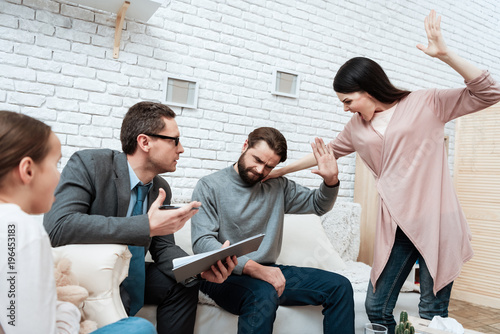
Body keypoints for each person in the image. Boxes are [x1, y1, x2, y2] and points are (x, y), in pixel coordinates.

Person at [263, 10, 500, 334]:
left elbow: (488, 92)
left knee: (431, 311)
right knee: (377, 306)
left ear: (368, 89)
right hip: (397, 224)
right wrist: (281, 170)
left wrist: (446, 54)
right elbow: (326, 151)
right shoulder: (356, 128)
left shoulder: (426, 103)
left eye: (348, 100)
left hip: (436, 220)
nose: (345, 108)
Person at [43, 102, 237, 334]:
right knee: (122, 298)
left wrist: (197, 268)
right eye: (174, 140)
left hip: (131, 273)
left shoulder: (160, 188)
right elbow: (58, 226)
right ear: (144, 142)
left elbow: (164, 249)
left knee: (184, 284)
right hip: (88, 274)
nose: (181, 149)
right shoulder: (89, 165)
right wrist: (144, 225)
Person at [0, 110, 156, 334]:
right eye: (55, 164)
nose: (59, 177)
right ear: (27, 170)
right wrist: (68, 310)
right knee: (139, 328)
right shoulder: (23, 231)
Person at [191, 127, 355, 334]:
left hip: (267, 271)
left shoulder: (276, 185)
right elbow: (203, 243)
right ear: (244, 146)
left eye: (269, 166)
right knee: (263, 293)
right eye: (257, 160)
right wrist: (253, 268)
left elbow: (318, 205)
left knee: (340, 287)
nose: (260, 171)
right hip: (222, 275)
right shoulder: (209, 186)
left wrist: (331, 181)